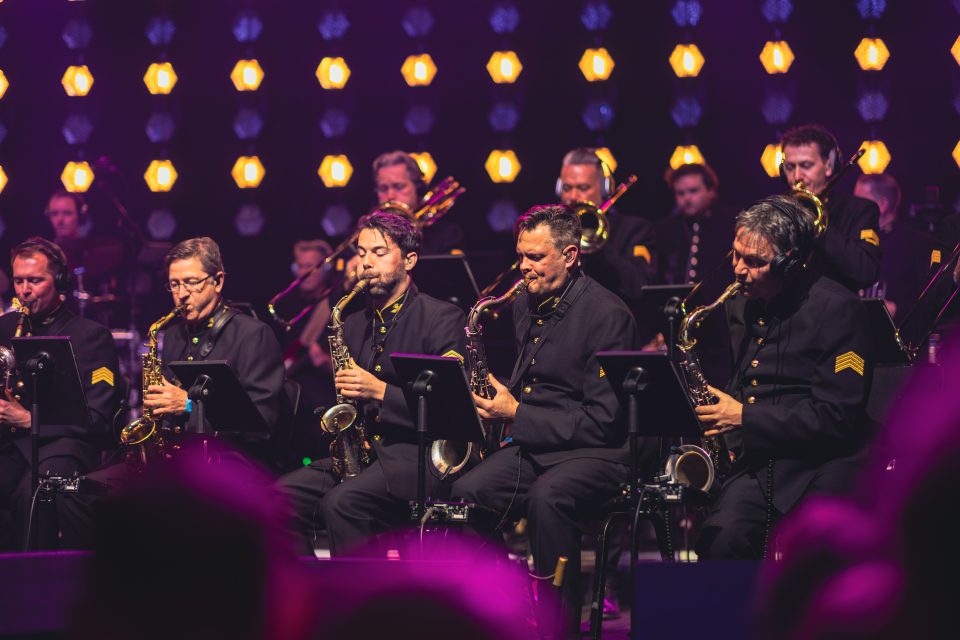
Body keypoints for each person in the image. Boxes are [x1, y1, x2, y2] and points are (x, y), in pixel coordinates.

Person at [450, 204, 657, 633]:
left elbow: (603, 421)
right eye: (520, 256)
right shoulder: (525, 303)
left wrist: (516, 413)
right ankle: (507, 601)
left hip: (598, 451)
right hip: (541, 442)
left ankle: (556, 625)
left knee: (548, 498)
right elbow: (537, 383)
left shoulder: (608, 315)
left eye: (536, 257)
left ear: (570, 255)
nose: (524, 267)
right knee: (468, 492)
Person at [56, 237, 286, 547]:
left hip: (232, 463)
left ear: (218, 281)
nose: (182, 294)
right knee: (76, 494)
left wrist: (190, 406)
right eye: (175, 285)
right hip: (179, 461)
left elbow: (261, 424)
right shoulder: (174, 335)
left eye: (191, 282)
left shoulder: (253, 335)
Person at [276, 211, 466, 556]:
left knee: (341, 503)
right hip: (363, 455)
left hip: (416, 458)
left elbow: (450, 412)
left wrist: (379, 390)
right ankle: (309, 587)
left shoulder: (441, 318)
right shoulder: (352, 323)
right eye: (362, 252)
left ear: (409, 260)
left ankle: (365, 589)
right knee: (276, 501)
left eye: (379, 252)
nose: (365, 262)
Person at [694, 196, 874, 560]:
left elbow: (836, 416)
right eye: (735, 255)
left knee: (815, 553)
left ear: (788, 261)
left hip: (824, 463)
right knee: (719, 540)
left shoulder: (839, 308)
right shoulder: (740, 302)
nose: (738, 270)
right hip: (763, 459)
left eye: (754, 261)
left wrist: (743, 417)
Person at [0, 237, 121, 550]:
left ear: (60, 281)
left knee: (32, 495)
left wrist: (30, 420)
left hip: (66, 446)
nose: (24, 291)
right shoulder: (5, 328)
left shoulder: (90, 336)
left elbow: (98, 422)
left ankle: (32, 578)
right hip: (12, 445)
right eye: (19, 281)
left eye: (35, 281)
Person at [780, 124, 881, 292]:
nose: (796, 176)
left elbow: (866, 271)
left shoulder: (859, 210)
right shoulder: (779, 210)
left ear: (828, 166)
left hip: (834, 305)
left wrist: (818, 226)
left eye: (806, 165)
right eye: (790, 167)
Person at [557, 148, 656, 313]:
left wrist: (598, 242)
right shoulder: (553, 230)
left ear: (605, 189)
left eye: (583, 187)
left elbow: (639, 287)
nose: (573, 196)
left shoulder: (635, 229)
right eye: (567, 188)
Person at [854, 173, 929, 319]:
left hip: (895, 328)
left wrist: (897, 308)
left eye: (860, 201)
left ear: (882, 205)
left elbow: (928, 298)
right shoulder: (851, 236)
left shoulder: (915, 243)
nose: (853, 207)